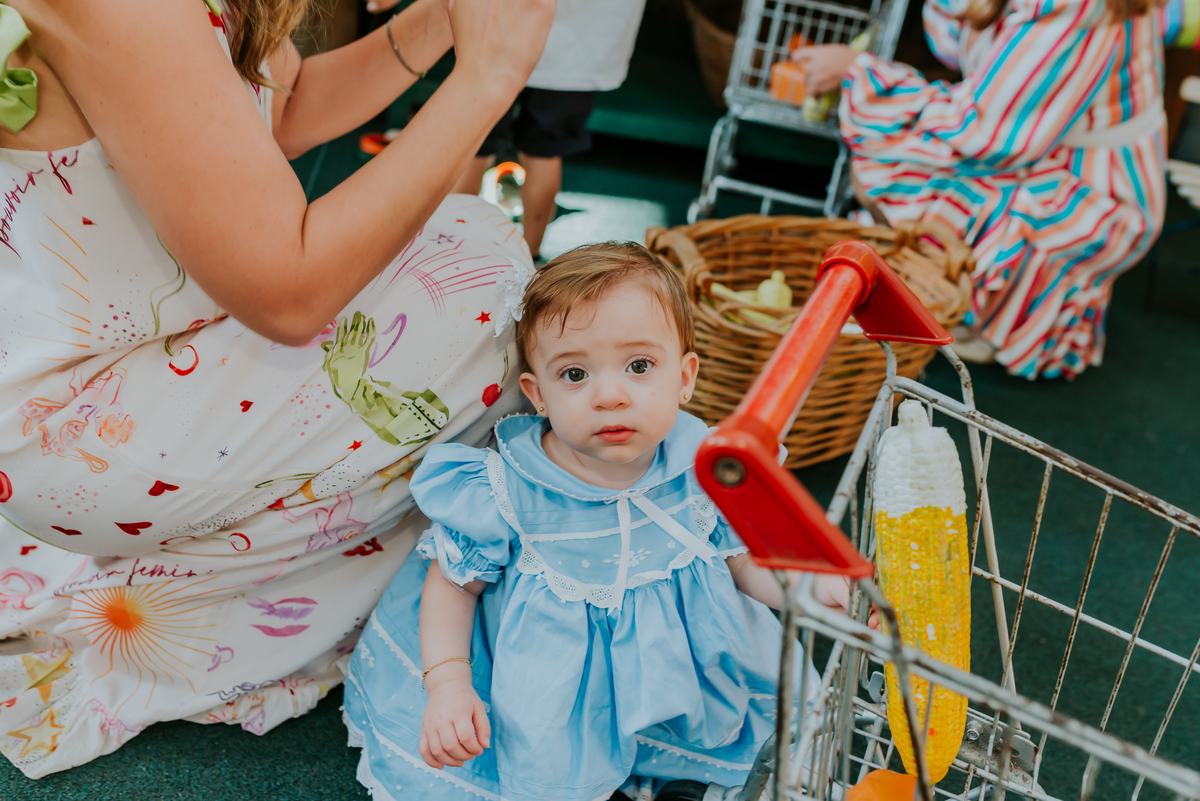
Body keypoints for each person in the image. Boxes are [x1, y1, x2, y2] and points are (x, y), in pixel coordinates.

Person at [0, 0, 555, 778]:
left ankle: (183, 566)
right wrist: (489, 77)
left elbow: (278, 115)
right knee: (484, 278)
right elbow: (291, 294)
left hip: (120, 371)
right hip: (81, 427)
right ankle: (184, 600)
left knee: (466, 252)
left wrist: (441, 18)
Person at [341, 243, 855, 801]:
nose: (610, 395)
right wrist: (448, 686)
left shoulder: (704, 467)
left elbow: (740, 565)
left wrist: (809, 589)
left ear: (685, 377)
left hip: (678, 669)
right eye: (575, 373)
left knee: (738, 744)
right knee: (551, 768)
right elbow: (453, 587)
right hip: (558, 693)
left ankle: (672, 769)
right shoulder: (509, 488)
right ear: (537, 395)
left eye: (640, 366)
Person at [793, 0, 1171, 378]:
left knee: (890, 155)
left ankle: (984, 306)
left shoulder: (1076, 7)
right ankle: (959, 287)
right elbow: (957, 33)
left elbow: (989, 135)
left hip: (1095, 194)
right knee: (896, 151)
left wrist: (859, 72)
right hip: (1035, 142)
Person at [369, 0, 649, 260]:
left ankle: (446, 247)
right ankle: (530, 255)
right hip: (577, 50)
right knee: (544, 153)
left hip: (506, 32)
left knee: (474, 145)